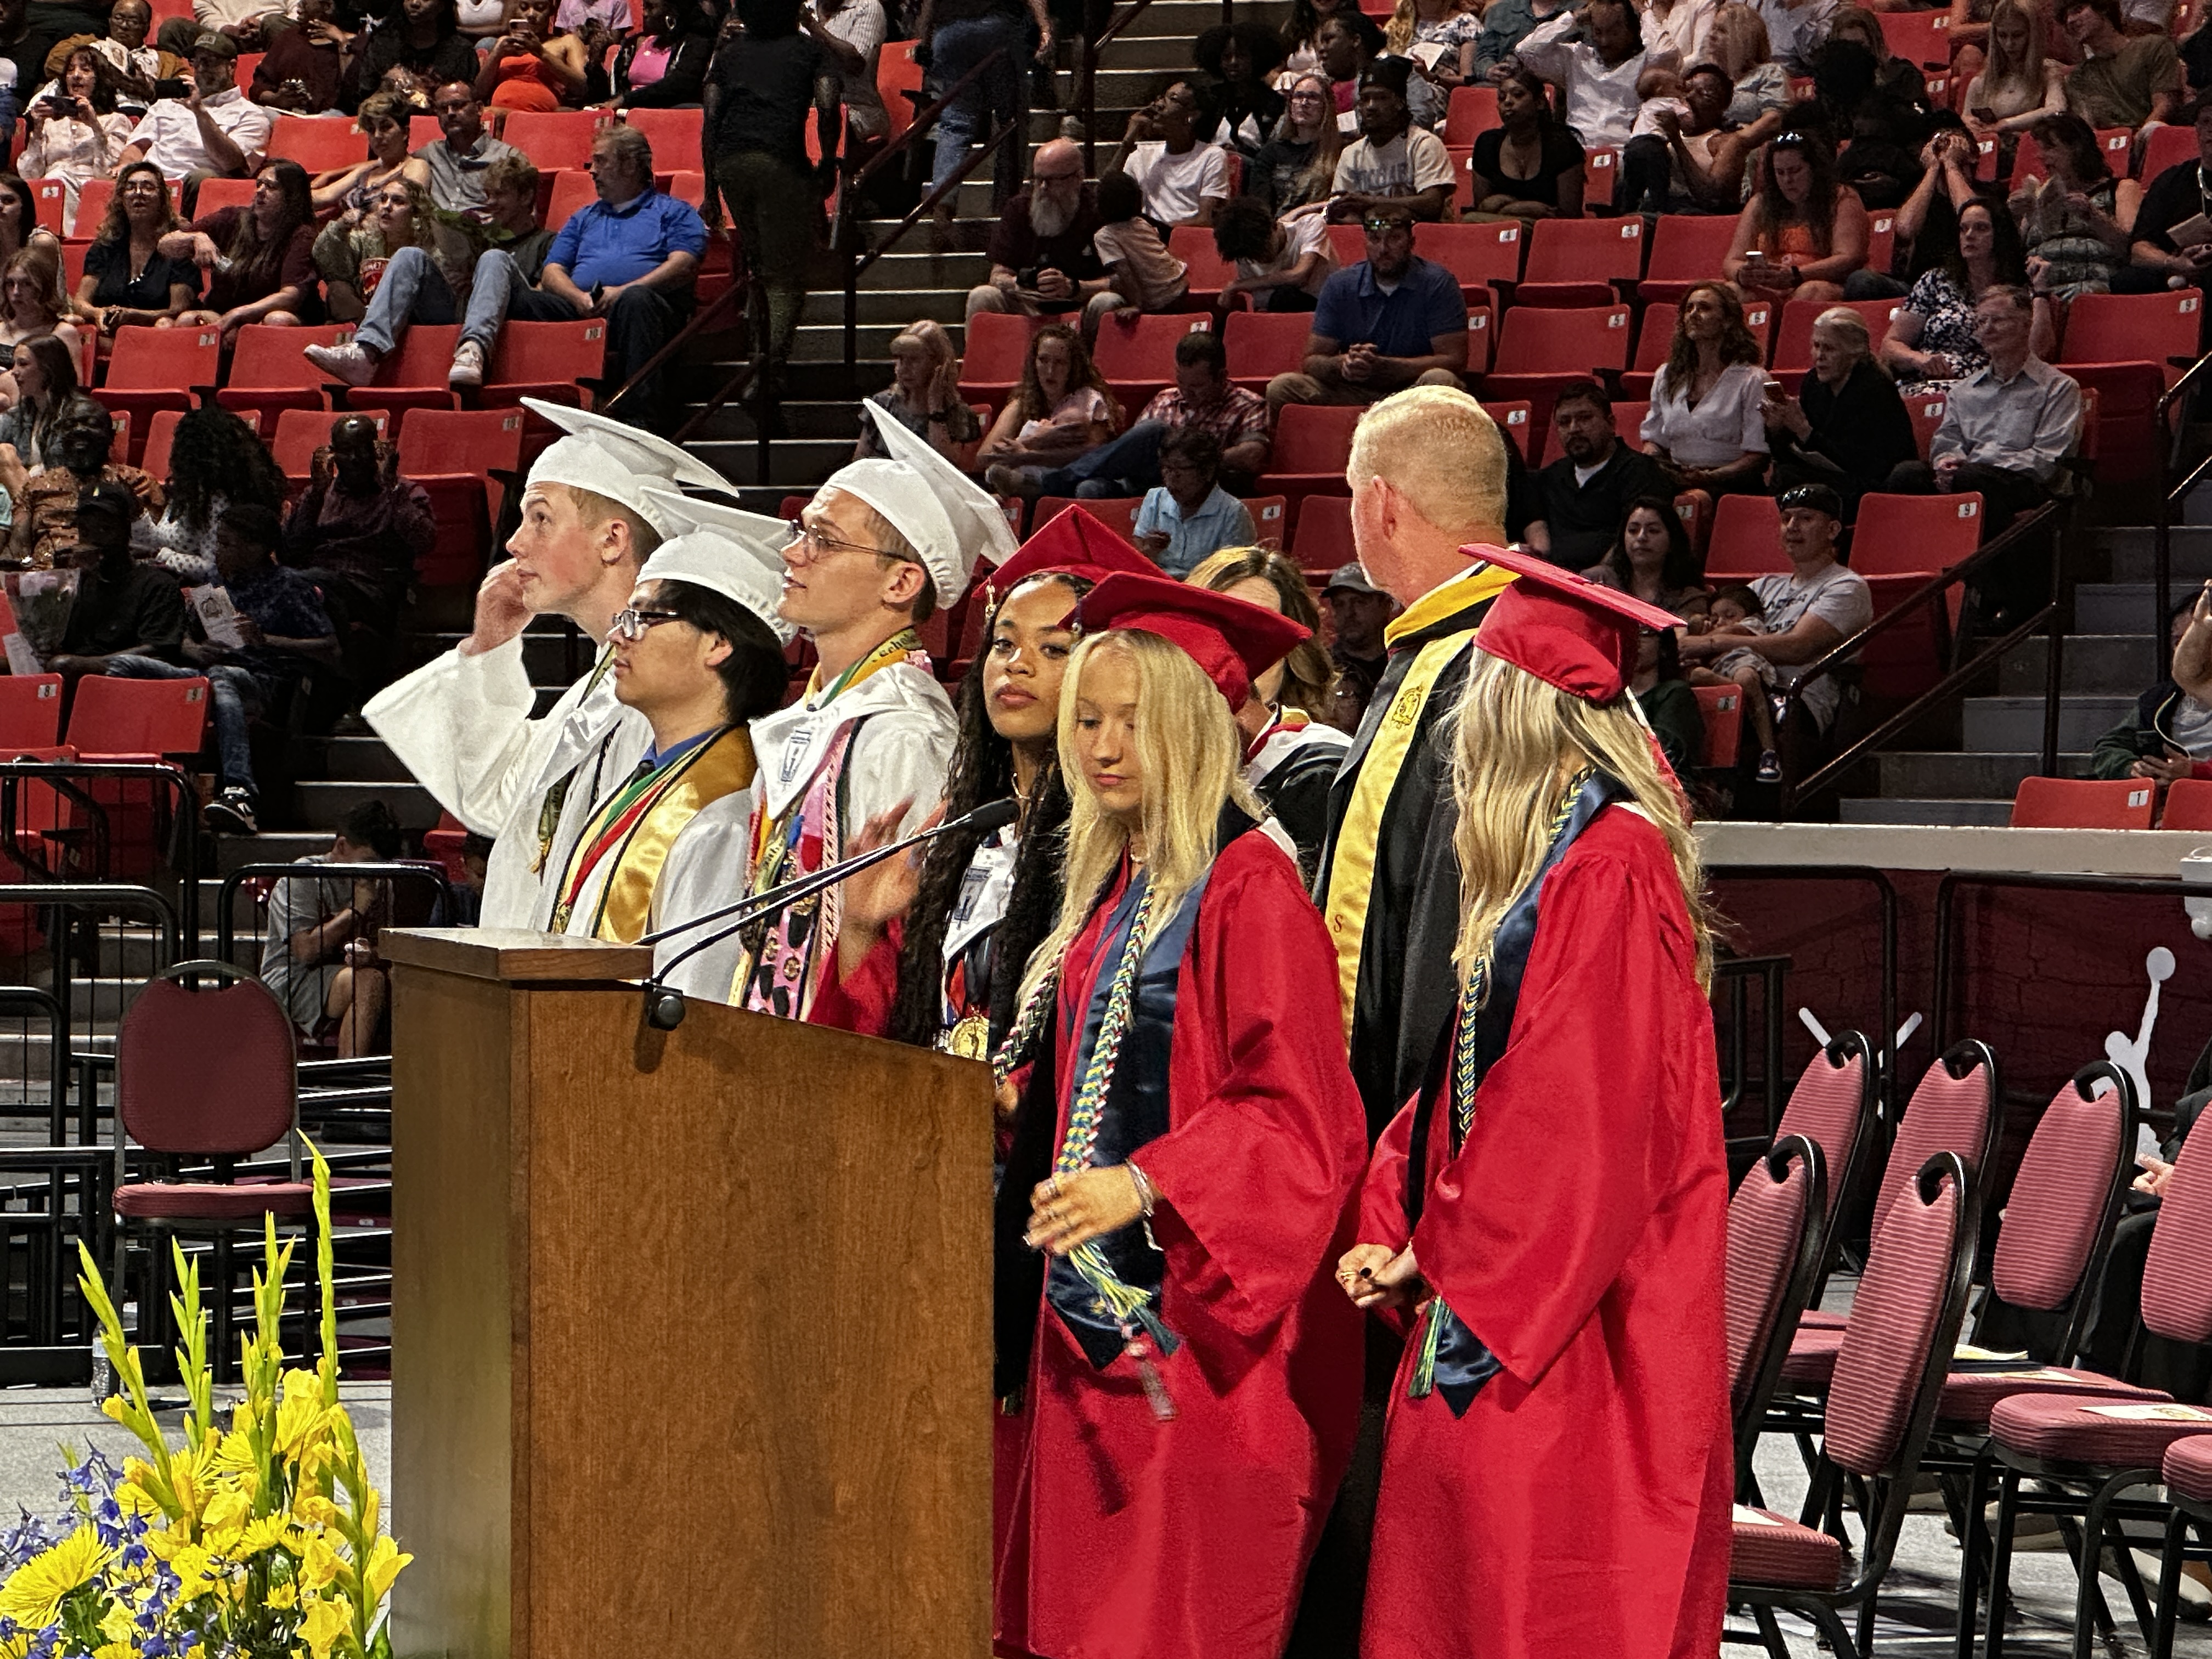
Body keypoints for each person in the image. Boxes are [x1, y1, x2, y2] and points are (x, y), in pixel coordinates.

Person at [1342, 546, 1731, 1659]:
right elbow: (1468, 1079)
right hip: (1504, 1278)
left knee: (1538, 1593)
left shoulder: (1610, 865)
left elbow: (1574, 1118)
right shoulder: (1551, 861)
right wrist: (1395, 1214)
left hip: (1575, 1313)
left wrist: (1437, 1244)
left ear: (1515, 709)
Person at [992, 569, 1365, 1659]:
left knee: (1170, 1617)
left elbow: (1299, 1113)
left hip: (1198, 1333)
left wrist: (1147, 1181)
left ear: (1198, 730)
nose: (1104, 747)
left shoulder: (1249, 887)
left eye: (1134, 722)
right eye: (1089, 721)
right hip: (1085, 1324)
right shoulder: (1120, 882)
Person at [811, 507, 1155, 1071]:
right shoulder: (960, 829)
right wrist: (862, 928)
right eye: (1003, 644)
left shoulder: (1120, 844)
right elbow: (877, 1040)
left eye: (1053, 649)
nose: (1016, 666)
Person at [364, 400, 726, 929]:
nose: (514, 543)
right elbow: (493, 802)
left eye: (540, 519)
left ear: (612, 540)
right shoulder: (591, 691)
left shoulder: (664, 699)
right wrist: (491, 645)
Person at [729, 401, 1017, 1019]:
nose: (794, 554)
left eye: (824, 540)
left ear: (901, 583)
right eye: (800, 532)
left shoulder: (906, 735)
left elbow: (906, 944)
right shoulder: (816, 716)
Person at [545, 492, 793, 1000]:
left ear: (717, 643)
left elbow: (696, 1000)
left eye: (643, 619)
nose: (618, 637)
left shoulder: (729, 811)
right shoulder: (647, 777)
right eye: (623, 619)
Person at [108, 500, 335, 835]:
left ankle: (241, 793)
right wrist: (196, 649)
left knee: (222, 676)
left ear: (256, 549)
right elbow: (185, 636)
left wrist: (267, 640)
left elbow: (329, 648)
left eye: (226, 544)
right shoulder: (216, 581)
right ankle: (115, 768)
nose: (217, 551)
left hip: (265, 682)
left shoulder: (290, 586)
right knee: (124, 664)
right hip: (213, 675)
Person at [452, 123, 702, 417]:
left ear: (631, 165)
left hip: (642, 310)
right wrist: (576, 297)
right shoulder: (584, 217)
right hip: (581, 307)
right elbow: (552, 271)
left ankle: (638, 417)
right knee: (516, 300)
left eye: (601, 161)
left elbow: (685, 262)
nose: (592, 171)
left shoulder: (673, 211)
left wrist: (625, 290)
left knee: (636, 300)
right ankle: (503, 400)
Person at [1884, 284, 2080, 618]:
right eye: (1981, 322)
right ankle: (1913, 598)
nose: (1987, 329)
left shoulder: (2059, 387)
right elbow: (1947, 440)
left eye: (1997, 321)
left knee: (1973, 480)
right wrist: (1947, 462)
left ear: (2026, 324)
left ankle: (1994, 598)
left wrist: (1969, 467)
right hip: (1971, 475)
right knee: (1906, 475)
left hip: (2028, 482)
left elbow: (2047, 459)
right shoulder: (1964, 391)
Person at [301, 150, 550, 390]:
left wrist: (487, 282)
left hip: (501, 323)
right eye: (488, 194)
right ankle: (366, 352)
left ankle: (473, 351)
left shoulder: (546, 243)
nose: (490, 202)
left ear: (526, 197)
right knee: (409, 255)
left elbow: (542, 300)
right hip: (455, 312)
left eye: (500, 195)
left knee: (494, 259)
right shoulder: (481, 237)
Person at [1677, 481, 1872, 764]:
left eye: (1805, 518)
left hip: (1793, 700)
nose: (1792, 527)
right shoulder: (1763, 586)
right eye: (1786, 519)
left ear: (1832, 530)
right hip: (1738, 682)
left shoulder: (1847, 586)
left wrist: (1714, 642)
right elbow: (1712, 623)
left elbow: (1798, 648)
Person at [1188, 544, 1350, 875]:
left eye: (1258, 635)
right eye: (1217, 632)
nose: (1237, 655)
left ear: (1295, 655)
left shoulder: (1319, 774)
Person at [703, 0, 827, 408]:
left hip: (730, 162)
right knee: (784, 277)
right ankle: (767, 371)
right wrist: (828, 162)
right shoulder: (809, 50)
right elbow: (828, 105)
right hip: (780, 161)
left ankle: (760, 357)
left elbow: (711, 117)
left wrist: (710, 189)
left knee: (759, 267)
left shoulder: (728, 54)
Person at [1013, 327, 1271, 501]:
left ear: (1222, 377)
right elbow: (1131, 451)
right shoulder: (1166, 398)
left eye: (1197, 386)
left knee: (1155, 431)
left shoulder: (1246, 405)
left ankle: (1050, 483)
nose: (1187, 392)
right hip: (1148, 482)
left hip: (1199, 484)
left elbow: (1252, 456)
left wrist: (1191, 456)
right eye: (1182, 383)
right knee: (1090, 489)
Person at [1265, 206, 1468, 419]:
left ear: (1411, 242)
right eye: (1375, 239)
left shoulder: (1438, 283)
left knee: (1442, 380)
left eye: (1394, 239)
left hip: (1413, 390)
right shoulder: (1340, 284)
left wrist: (1390, 367)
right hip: (1355, 390)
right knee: (1283, 387)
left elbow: (1455, 361)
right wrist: (1343, 364)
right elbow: (1311, 361)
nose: (1383, 249)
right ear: (1365, 242)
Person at [280, 410, 435, 672]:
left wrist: (392, 488)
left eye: (362, 450)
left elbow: (425, 541)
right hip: (318, 582)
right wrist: (316, 492)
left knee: (305, 582)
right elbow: (291, 551)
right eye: (346, 451)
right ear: (333, 454)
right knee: (286, 581)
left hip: (371, 589)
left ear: (377, 450)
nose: (354, 459)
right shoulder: (321, 494)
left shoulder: (402, 491)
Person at [258, 799, 405, 1054]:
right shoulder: (302, 877)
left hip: (345, 972)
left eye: (381, 865)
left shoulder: (381, 882)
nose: (375, 873)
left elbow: (384, 946)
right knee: (368, 982)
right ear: (342, 846)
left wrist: (370, 953)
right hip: (293, 979)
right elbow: (305, 951)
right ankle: (350, 1074)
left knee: (403, 979)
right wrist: (355, 911)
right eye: (368, 862)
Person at [1761, 304, 1916, 515]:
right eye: (1816, 346)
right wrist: (1777, 429)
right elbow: (1792, 455)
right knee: (1785, 474)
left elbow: (1863, 464)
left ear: (1854, 354)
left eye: (1829, 349)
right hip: (1831, 478)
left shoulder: (1874, 388)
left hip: (1871, 485)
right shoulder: (1813, 383)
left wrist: (1805, 432)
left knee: (1791, 481)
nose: (1819, 356)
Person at [966, 137, 1119, 332]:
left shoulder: (1099, 213)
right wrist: (1019, 284)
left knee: (1107, 301)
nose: (1043, 188)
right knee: (982, 296)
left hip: (1081, 306)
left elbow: (1119, 280)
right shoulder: (1019, 209)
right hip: (1029, 307)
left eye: (1052, 180)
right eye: (1038, 180)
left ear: (1078, 177)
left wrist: (1074, 287)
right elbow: (998, 275)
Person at [1881, 196, 2028, 389]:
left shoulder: (2019, 286)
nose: (1969, 235)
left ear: (2000, 235)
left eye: (1981, 228)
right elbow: (1891, 345)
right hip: (1926, 382)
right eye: (1963, 229)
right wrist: (1918, 359)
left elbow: (2038, 352)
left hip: (1988, 387)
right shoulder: (1935, 281)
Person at [43, 479, 182, 682]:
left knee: (63, 667)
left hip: (125, 684)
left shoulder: (157, 585)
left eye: (105, 529)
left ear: (126, 530)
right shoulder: (74, 584)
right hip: (71, 679)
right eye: (86, 531)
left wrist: (84, 666)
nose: (94, 539)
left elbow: (158, 651)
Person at [162, 156, 318, 336]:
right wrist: (197, 237)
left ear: (292, 197)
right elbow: (165, 245)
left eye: (271, 187)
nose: (260, 191)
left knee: (277, 319)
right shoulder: (232, 218)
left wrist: (240, 314)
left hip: (267, 316)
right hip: (223, 314)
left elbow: (291, 296)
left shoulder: (302, 235)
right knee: (187, 320)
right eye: (259, 184)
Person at [1, 392, 162, 567]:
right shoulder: (36, 486)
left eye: (90, 424)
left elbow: (152, 546)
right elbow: (20, 550)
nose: (80, 430)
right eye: (71, 425)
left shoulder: (136, 482)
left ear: (110, 435)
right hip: (46, 575)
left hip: (111, 574)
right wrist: (26, 568)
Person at [917, 0, 1048, 211]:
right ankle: (1006, 205)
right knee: (1012, 121)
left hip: (948, 31)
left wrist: (924, 40)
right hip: (995, 26)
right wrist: (1044, 27)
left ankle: (943, 200)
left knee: (955, 122)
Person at [1527, 379, 1673, 568]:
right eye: (1564, 422)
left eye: (1585, 418)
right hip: (1551, 578)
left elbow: (1636, 538)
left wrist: (1602, 572)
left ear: (1611, 424)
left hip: (1609, 579)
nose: (1574, 429)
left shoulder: (1641, 472)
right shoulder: (1549, 478)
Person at [1640, 281, 1769, 494]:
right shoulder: (1666, 375)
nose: (1694, 314)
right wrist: (1655, 462)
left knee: (1696, 499)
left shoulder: (1752, 379)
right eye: (1689, 308)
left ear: (1727, 321)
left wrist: (1709, 477)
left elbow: (1757, 456)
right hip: (1677, 477)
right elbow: (1654, 440)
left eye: (1704, 308)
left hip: (1731, 482)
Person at [119, 31, 273, 201]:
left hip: (192, 189)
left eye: (209, 62)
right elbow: (137, 146)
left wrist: (200, 112)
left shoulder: (251, 115)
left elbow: (233, 164)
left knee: (201, 177)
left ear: (231, 67)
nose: (200, 69)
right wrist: (126, 166)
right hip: (151, 183)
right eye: (196, 62)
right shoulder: (167, 104)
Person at [1722, 127, 1869, 302]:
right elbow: (1732, 261)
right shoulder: (1759, 203)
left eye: (1795, 171)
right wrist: (1742, 274)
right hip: (1770, 287)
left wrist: (1796, 274)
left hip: (1818, 283)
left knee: (1811, 292)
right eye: (1780, 173)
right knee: (1728, 292)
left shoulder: (1842, 198)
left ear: (1814, 169)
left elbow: (1849, 258)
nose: (1787, 180)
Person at [979, 321, 1119, 495]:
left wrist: (1030, 456)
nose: (1050, 371)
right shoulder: (1022, 403)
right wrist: (1035, 441)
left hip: (1072, 481)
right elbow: (984, 457)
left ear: (1073, 366)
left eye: (1060, 363)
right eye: (1043, 361)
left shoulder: (1089, 400)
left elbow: (1094, 453)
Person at [2015, 112, 2140, 302]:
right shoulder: (2040, 197)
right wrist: (2015, 218)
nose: (2041, 156)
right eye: (2040, 149)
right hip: (2038, 292)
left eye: (2050, 148)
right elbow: (2014, 257)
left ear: (2077, 149)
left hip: (2093, 289)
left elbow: (2130, 250)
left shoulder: (2120, 189)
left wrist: (2093, 215)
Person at [2089, 597, 2212, 781]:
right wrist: (2132, 767)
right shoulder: (2157, 700)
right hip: (2164, 794)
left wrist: (2195, 772)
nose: (2183, 649)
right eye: (2178, 640)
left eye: (2192, 640)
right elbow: (2109, 747)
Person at [17, 46, 133, 232]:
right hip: (50, 191)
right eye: (70, 70)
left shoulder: (116, 121)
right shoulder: (51, 124)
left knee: (59, 178)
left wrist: (95, 126)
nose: (76, 76)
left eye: (85, 70)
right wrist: (37, 130)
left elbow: (107, 174)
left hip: (90, 195)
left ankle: (55, 234)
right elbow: (30, 175)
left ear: (99, 79)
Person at [1515, 0, 1654, 150]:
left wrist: (1645, 15)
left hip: (1622, 152)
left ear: (1632, 32)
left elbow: (1665, 53)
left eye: (1614, 33)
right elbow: (1526, 51)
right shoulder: (1576, 57)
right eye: (1598, 32)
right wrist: (1573, 18)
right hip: (1575, 152)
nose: (1605, 41)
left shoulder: (1646, 62)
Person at [1329, 57, 1454, 222]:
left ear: (1400, 103)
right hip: (1370, 234)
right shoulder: (1351, 154)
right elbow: (1342, 208)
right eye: (1365, 99)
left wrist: (1370, 202)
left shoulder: (1424, 144)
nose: (1371, 106)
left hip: (1420, 234)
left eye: (1381, 98)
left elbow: (1432, 204)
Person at [1684, 579, 1781, 773]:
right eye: (1715, 618)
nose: (1721, 622)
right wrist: (1698, 624)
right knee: (1698, 675)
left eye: (1730, 615)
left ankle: (1769, 753)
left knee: (1745, 678)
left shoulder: (1753, 624)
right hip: (1719, 671)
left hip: (1743, 662)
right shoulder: (1710, 634)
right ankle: (1761, 699)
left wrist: (1701, 639)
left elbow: (1729, 631)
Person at [1109, 79, 1232, 229]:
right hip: (1145, 234)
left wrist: (1160, 230)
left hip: (1181, 235)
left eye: (1172, 99)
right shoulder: (1142, 155)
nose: (1159, 104)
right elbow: (1108, 200)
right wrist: (1127, 142)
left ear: (1193, 115)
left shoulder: (1211, 156)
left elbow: (1205, 220)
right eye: (1161, 98)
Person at [313, 173, 437, 322]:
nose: (387, 206)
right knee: (338, 288)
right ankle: (368, 330)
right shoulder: (366, 239)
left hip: (408, 317)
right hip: (364, 314)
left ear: (416, 213)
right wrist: (341, 226)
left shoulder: (430, 249)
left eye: (398, 201)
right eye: (383, 199)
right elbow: (325, 259)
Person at [1133, 427, 1255, 577]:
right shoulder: (1155, 498)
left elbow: (1233, 576)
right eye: (1167, 468)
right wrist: (1148, 550)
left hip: (1203, 587)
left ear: (1208, 471)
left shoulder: (1233, 513)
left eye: (1180, 470)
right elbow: (1135, 563)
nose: (1171, 478)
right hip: (1157, 583)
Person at [1469, 63, 1584, 219]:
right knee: (1472, 220)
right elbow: (1483, 208)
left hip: (1549, 227)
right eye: (1502, 98)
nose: (1508, 102)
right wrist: (1521, 209)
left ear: (1539, 103)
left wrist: (1505, 206)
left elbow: (1570, 214)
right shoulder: (1487, 144)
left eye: (1518, 95)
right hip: (1499, 225)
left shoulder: (1562, 145)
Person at [855, 319, 979, 461]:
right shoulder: (882, 404)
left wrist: (936, 407)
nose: (904, 368)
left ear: (938, 364)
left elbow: (948, 464)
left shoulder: (957, 414)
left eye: (914, 360)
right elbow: (860, 459)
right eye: (900, 359)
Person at [2126, 92, 2212, 290]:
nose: (2211, 130)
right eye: (2206, 122)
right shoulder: (2170, 181)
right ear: (2197, 130)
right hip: (2176, 264)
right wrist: (2172, 263)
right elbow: (2139, 248)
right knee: (2129, 279)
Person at [1087, 167, 1191, 321]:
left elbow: (1126, 271)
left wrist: (1136, 305)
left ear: (1099, 205)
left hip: (1160, 299)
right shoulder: (1141, 223)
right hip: (1182, 286)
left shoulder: (1104, 237)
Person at [2061, 0, 2180, 131]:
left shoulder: (2153, 47)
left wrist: (2140, 136)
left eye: (2078, 10)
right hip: (2107, 141)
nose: (2070, 21)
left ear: (2103, 9)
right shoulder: (2079, 76)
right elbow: (2087, 127)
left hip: (2151, 134)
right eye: (2065, 18)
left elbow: (2165, 104)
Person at [411, 80, 522, 218]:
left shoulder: (507, 158)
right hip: (436, 228)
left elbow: (521, 214)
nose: (450, 113)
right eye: (443, 108)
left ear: (479, 109)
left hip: (483, 229)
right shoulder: (430, 153)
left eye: (458, 105)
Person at [1589, 493, 1711, 617]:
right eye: (1633, 530)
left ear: (1672, 541)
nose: (1641, 537)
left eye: (1653, 531)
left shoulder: (1689, 598)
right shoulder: (1597, 581)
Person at [1212, 192, 1335, 312]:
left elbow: (1299, 275)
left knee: (1285, 297)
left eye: (1263, 249)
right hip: (1284, 312)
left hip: (1326, 304)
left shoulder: (1310, 225)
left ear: (1273, 227)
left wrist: (1239, 285)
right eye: (1255, 257)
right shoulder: (1246, 256)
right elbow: (1264, 303)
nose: (1262, 259)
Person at [309, 91, 424, 215]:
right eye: (371, 130)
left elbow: (405, 211)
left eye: (386, 127)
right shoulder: (367, 169)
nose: (377, 136)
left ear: (405, 133)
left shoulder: (416, 166)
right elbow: (323, 197)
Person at [1243, 71, 1341, 216]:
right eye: (1299, 96)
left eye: (1313, 97)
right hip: (1278, 225)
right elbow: (1259, 204)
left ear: (1326, 106)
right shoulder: (1271, 152)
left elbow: (1339, 202)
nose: (1304, 103)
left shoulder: (1339, 151)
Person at [1965, 0, 2066, 139]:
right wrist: (1969, 123)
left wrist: (2007, 124)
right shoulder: (1979, 83)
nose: (2009, 44)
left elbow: (2057, 110)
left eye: (2017, 35)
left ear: (2032, 35)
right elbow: (1967, 121)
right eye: (2002, 36)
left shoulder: (2049, 72)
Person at [804, 0, 887, 164]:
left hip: (855, 109)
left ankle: (828, 170)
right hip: (805, 106)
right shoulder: (806, 6)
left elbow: (855, 65)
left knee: (827, 90)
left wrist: (813, 27)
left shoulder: (867, 7)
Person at [1321, 558, 1395, 729]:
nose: (1349, 613)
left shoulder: (1406, 663)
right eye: (1340, 604)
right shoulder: (1322, 669)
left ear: (1386, 605)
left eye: (1359, 602)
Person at [476, 0, 590, 111]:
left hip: (542, 115)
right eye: (524, 7)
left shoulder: (567, 42)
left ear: (552, 11)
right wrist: (496, 56)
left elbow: (581, 87)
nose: (531, 14)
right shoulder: (504, 44)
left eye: (540, 8)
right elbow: (479, 93)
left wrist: (542, 53)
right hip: (500, 112)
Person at [1193, 21, 1288, 154]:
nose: (1233, 62)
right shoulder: (1211, 99)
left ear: (1256, 59)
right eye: (1226, 57)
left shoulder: (1273, 102)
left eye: (1241, 56)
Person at [247, 0, 346, 111]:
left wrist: (342, 42)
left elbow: (353, 89)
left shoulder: (351, 42)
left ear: (328, 7)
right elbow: (259, 86)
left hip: (334, 115)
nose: (299, 4)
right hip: (283, 112)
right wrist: (276, 99)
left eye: (305, 2)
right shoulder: (289, 37)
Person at [1634, 623, 1705, 778]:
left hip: (1662, 784)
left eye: (1645, 633)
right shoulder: (1612, 698)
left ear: (1664, 647)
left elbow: (1667, 754)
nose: (1634, 639)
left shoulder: (1675, 693)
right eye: (1628, 631)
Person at [0, 333, 75, 472]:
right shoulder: (17, 415)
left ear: (48, 368)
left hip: (60, 484)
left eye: (23, 364)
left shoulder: (83, 417)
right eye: (14, 364)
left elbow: (71, 471)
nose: (14, 372)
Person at [0, 244, 80, 369]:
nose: (16, 292)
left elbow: (75, 381)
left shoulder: (63, 333)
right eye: (10, 284)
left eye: (27, 284)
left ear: (44, 287)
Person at [1709, 0, 1787, 122]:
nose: (1712, 35)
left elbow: (1773, 119)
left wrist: (1743, 134)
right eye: (1713, 29)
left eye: (1722, 31)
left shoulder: (1769, 73)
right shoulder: (1708, 76)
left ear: (1744, 40)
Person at [1472, 0, 1567, 80]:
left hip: (1563, 87)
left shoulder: (1574, 12)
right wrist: (1489, 69)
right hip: (1507, 84)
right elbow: (1484, 54)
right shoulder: (1500, 11)